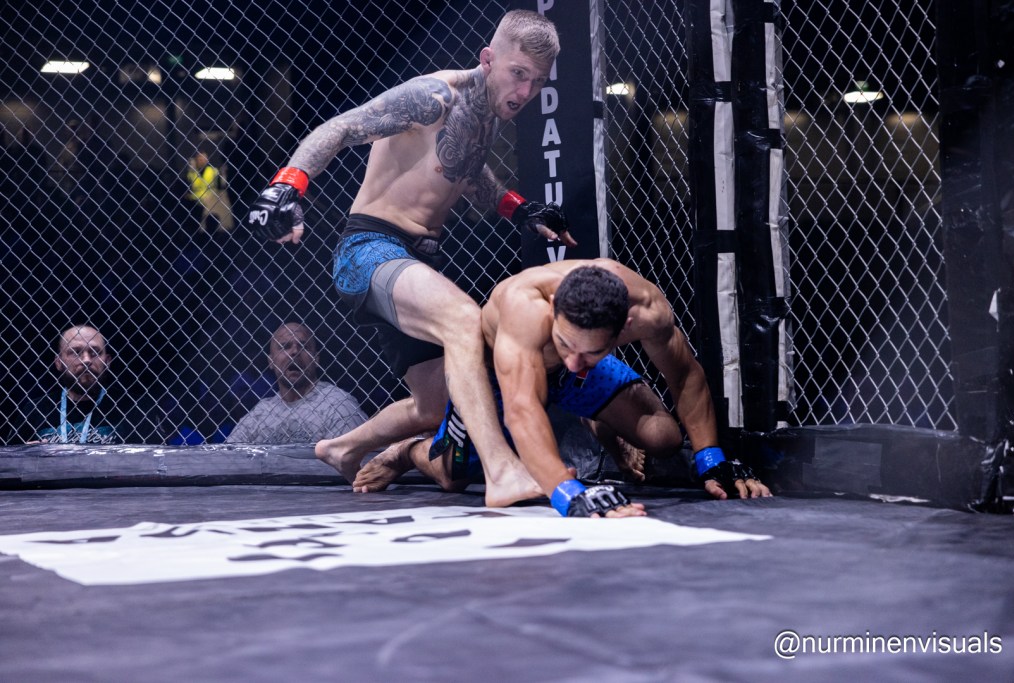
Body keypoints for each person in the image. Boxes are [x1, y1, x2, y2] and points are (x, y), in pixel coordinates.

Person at [244, 10, 574, 505]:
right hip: (368, 250)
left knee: (434, 405)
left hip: (413, 260)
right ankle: (502, 472)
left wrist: (519, 208)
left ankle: (341, 448)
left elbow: (467, 172)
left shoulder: (488, 115)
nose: (525, 91)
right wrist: (286, 186)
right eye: (518, 73)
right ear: (488, 59)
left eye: (537, 81)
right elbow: (342, 127)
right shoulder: (434, 96)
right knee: (464, 319)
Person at [353, 260, 773, 517]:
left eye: (591, 350)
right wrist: (569, 493)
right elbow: (523, 407)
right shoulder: (524, 307)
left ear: (624, 327)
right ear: (554, 309)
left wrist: (712, 462)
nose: (574, 360)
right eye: (565, 343)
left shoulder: (648, 310)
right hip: (505, 376)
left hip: (580, 376)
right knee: (452, 477)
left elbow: (685, 375)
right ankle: (408, 451)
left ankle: (600, 420)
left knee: (664, 439)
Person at [14, 325, 162, 444]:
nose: (86, 360)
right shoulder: (34, 411)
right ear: (59, 362)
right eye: (76, 352)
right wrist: (28, 455)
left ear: (107, 361)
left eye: (95, 352)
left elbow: (157, 462)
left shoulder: (136, 408)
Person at [226, 322, 368, 443]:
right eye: (285, 346)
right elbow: (227, 457)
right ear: (271, 361)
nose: (295, 351)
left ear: (316, 359)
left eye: (303, 346)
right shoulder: (261, 413)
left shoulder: (338, 404)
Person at [187, 150, 234, 233]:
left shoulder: (213, 171)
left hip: (210, 200)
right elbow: (189, 189)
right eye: (200, 159)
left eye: (204, 158)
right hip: (195, 202)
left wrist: (223, 175)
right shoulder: (192, 173)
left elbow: (220, 186)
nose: (202, 161)